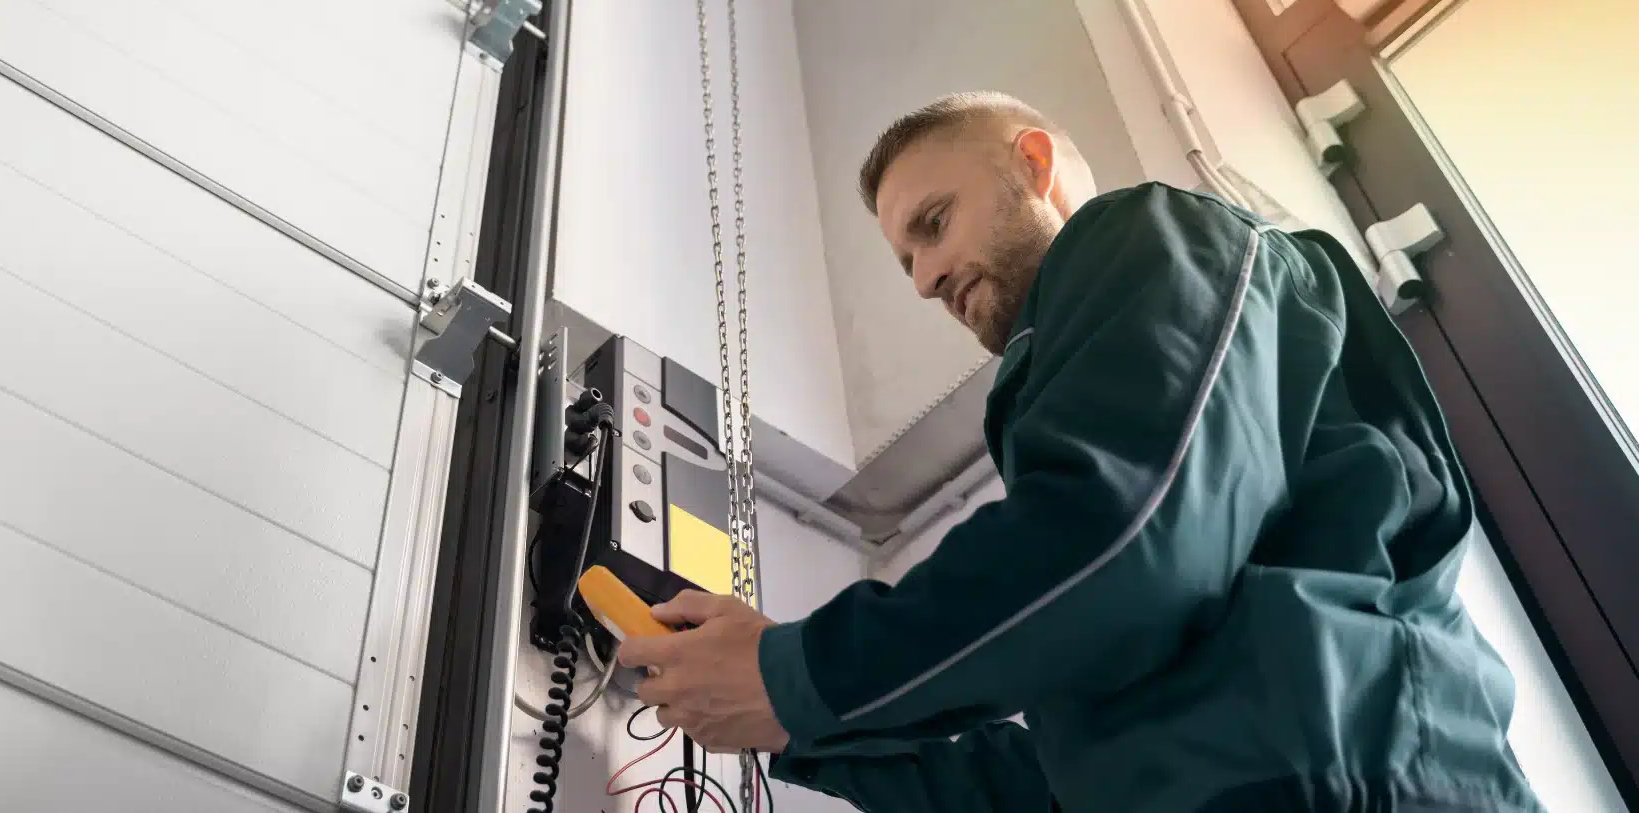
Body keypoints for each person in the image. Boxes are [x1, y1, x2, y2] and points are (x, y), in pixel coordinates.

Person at [616, 92, 1546, 812]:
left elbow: (1123, 538)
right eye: (906, 263)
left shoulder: (1152, 232)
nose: (926, 277)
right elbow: (1049, 788)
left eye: (933, 223)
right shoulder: (1131, 608)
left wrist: (795, 675)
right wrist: (788, 727)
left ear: (1034, 165)